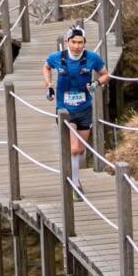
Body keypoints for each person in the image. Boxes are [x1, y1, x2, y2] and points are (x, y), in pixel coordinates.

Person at [43, 25, 109, 198]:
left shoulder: (92, 58)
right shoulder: (58, 58)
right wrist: (48, 86)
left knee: (80, 150)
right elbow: (46, 66)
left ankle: (73, 171)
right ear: (67, 42)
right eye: (73, 42)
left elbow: (104, 74)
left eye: (80, 42)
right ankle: (75, 185)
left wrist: (96, 83)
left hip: (84, 108)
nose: (77, 46)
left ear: (85, 43)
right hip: (64, 109)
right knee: (73, 148)